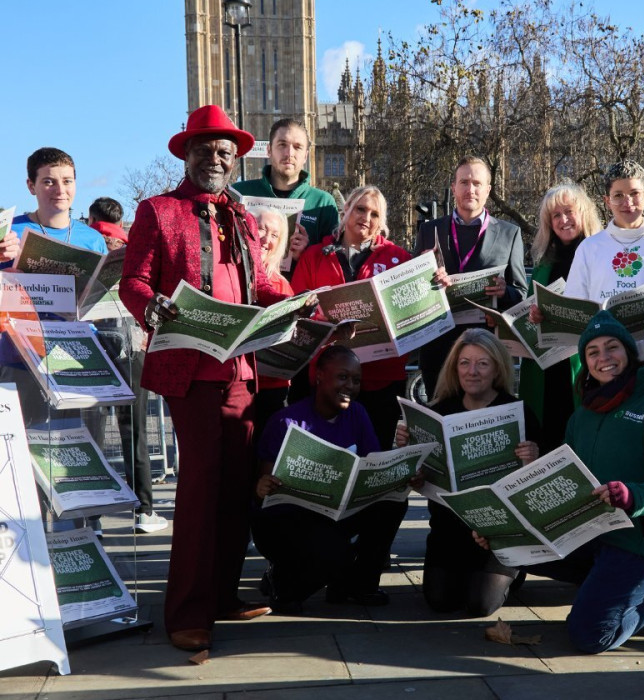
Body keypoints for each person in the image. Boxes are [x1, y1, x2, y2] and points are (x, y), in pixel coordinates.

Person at [120, 105, 291, 652]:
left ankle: (221, 595)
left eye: (225, 152)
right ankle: (187, 612)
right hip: (189, 371)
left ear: (235, 161)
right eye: (205, 149)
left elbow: (262, 286)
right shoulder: (157, 210)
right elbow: (135, 281)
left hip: (241, 369)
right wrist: (153, 309)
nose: (215, 158)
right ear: (186, 154)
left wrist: (308, 304)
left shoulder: (241, 218)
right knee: (198, 490)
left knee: (237, 490)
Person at [477, 311, 644, 653]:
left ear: (629, 353)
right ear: (585, 362)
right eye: (592, 352)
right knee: (505, 548)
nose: (603, 358)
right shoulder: (581, 414)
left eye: (612, 347)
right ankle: (604, 587)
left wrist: (632, 496)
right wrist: (502, 529)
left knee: (590, 635)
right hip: (589, 535)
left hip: (642, 545)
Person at [395, 328, 540, 617]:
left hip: (497, 532)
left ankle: (515, 569)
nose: (472, 371)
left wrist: (534, 456)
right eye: (464, 363)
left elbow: (537, 483)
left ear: (497, 368)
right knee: (441, 601)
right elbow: (419, 477)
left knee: (480, 605)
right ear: (454, 367)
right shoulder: (438, 411)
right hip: (449, 529)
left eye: (482, 363)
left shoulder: (518, 412)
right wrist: (411, 462)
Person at [252, 345, 407, 614]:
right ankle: (283, 577)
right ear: (320, 376)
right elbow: (265, 487)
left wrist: (398, 475)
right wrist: (263, 485)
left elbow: (374, 465)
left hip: (338, 512)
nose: (351, 386)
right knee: (297, 595)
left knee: (393, 504)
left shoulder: (357, 413)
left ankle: (361, 584)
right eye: (343, 377)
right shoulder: (286, 421)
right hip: (290, 522)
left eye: (356, 380)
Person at [291, 186, 412, 450]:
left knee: (372, 457)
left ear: (382, 223)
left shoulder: (400, 259)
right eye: (360, 208)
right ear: (345, 211)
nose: (366, 217)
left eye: (374, 214)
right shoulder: (314, 256)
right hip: (327, 380)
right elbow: (296, 311)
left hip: (381, 379)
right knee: (325, 458)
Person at [413, 156, 528, 398]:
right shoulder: (428, 230)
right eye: (464, 182)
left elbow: (521, 295)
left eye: (477, 183)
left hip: (487, 352)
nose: (470, 189)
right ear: (453, 188)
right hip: (438, 348)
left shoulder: (510, 233)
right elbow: (413, 294)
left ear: (488, 189)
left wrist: (504, 291)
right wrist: (426, 280)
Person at [87, 197, 168, 535]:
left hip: (91, 344)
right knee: (134, 433)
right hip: (133, 346)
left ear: (92, 218)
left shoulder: (83, 243)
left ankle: (92, 517)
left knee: (91, 434)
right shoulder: (134, 246)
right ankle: (144, 511)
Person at [518, 183, 602, 452]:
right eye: (556, 215)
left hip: (584, 362)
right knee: (547, 435)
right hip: (547, 366)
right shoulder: (544, 261)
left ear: (584, 213)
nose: (563, 220)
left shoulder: (599, 253)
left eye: (569, 211)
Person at [565, 160, 644, 304]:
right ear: (607, 201)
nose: (628, 203)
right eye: (618, 195)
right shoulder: (589, 247)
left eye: (634, 194)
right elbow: (575, 304)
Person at [232, 117, 340, 256]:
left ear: (306, 156)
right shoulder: (240, 193)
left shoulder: (323, 202)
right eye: (282, 144)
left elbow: (333, 260)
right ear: (269, 150)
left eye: (297, 147)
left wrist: (308, 252)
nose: (289, 153)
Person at [8, 148, 107, 258]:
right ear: (31, 186)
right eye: (49, 182)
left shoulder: (94, 240)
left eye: (67, 181)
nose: (60, 190)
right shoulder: (9, 233)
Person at [248, 206, 294, 434]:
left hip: (273, 389)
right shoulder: (227, 275)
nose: (266, 239)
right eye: (261, 229)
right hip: (236, 386)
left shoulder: (282, 286)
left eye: (275, 235)